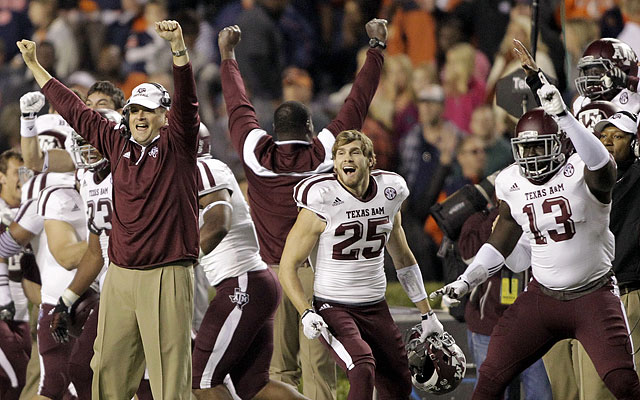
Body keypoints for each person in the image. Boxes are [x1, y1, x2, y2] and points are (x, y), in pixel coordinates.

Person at [17, 19, 200, 399]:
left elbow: (188, 101)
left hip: (165, 273)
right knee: (105, 371)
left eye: (148, 111)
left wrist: (178, 49)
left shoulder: (177, 145)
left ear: (165, 116)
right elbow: (75, 110)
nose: (140, 118)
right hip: (120, 274)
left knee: (168, 378)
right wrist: (35, 66)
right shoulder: (117, 144)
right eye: (134, 111)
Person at [431, 72, 640, 398]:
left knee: (622, 382)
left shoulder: (580, 171)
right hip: (541, 297)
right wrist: (467, 280)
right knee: (490, 377)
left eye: (538, 146)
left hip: (593, 296)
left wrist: (564, 117)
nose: (531, 155)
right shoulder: (512, 181)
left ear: (558, 144)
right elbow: (501, 240)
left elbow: (602, 164)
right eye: (525, 148)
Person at [217, 19, 385, 399]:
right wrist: (375, 48)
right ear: (310, 130)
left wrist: (228, 55)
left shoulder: (256, 154)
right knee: (319, 367)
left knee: (277, 369)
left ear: (274, 131)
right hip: (317, 275)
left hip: (271, 275)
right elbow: (357, 102)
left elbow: (237, 104)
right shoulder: (324, 155)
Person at [278, 129, 445, 399]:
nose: (347, 158)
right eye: (340, 153)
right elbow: (288, 266)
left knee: (399, 383)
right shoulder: (321, 198)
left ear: (370, 160)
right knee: (361, 366)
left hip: (376, 307)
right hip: (334, 306)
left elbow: (402, 257)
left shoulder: (389, 193)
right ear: (334, 163)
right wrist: (306, 311)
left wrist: (427, 313)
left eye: (355, 152)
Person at [192, 148, 307, 400]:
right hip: (251, 282)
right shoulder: (210, 167)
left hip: (241, 284)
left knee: (202, 379)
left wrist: (182, 258)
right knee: (255, 387)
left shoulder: (202, 169)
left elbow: (218, 221)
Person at [565, 110, 640, 399]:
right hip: (588, 297)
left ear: (634, 143)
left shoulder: (636, 177)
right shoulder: (584, 178)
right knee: (583, 390)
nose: (608, 142)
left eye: (618, 136)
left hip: (626, 293)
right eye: (603, 136)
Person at [0, 150, 32, 399]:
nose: (23, 177)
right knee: (15, 383)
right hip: (3, 315)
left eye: (26, 171)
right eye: (16, 172)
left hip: (25, 315)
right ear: (1, 177)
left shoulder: (33, 211)